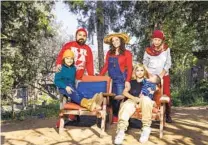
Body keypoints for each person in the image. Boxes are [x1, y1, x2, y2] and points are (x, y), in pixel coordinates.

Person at [114, 64, 161, 144]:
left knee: (146, 99)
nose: (139, 72)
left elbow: (156, 86)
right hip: (133, 100)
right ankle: (121, 132)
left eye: (142, 70)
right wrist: (134, 98)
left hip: (144, 102)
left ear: (144, 72)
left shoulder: (148, 81)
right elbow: (124, 92)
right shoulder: (131, 82)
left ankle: (146, 129)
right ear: (134, 72)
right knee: (126, 105)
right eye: (137, 70)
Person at [55, 28, 94, 121]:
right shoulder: (69, 45)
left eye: (84, 36)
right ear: (76, 35)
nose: (82, 37)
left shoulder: (87, 49)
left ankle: (73, 116)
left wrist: (91, 76)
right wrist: (58, 64)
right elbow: (61, 56)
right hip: (66, 78)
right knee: (66, 97)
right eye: (80, 35)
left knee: (77, 94)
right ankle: (62, 118)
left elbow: (89, 64)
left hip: (79, 77)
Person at [99, 33, 133, 123]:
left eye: (117, 40)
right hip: (111, 79)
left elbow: (130, 68)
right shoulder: (109, 53)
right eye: (113, 41)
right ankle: (113, 115)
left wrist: (127, 81)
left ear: (121, 41)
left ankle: (118, 117)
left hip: (121, 79)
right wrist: (99, 76)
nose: (115, 42)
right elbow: (106, 65)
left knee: (119, 98)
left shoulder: (127, 53)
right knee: (111, 98)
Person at [143, 29, 172, 123]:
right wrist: (149, 74)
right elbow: (144, 63)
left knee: (166, 93)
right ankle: (152, 113)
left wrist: (161, 75)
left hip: (163, 75)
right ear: (152, 39)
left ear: (162, 40)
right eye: (155, 39)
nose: (156, 42)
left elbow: (168, 63)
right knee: (151, 93)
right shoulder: (148, 50)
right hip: (151, 76)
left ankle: (168, 115)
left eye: (159, 40)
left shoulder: (166, 49)